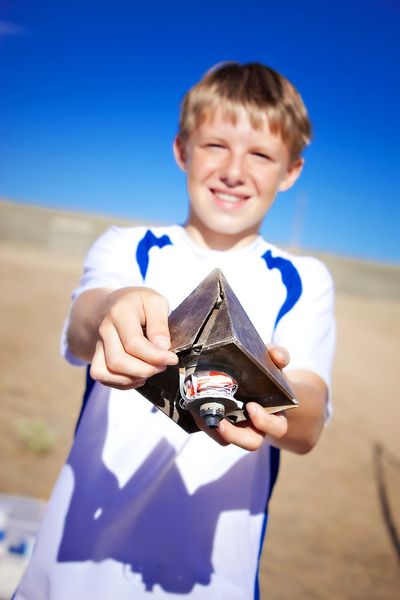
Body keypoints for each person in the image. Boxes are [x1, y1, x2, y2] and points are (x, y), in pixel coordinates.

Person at [14, 62, 335, 599]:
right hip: (71, 571)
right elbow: (81, 325)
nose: (235, 170)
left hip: (212, 581)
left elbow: (309, 420)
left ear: (291, 171)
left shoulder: (303, 280)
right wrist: (114, 309)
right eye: (215, 145)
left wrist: (271, 397)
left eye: (260, 154)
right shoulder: (130, 247)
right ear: (182, 150)